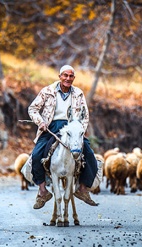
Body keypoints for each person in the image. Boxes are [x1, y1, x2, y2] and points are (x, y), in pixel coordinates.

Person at [28, 65, 99, 209]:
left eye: (71, 76)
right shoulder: (47, 91)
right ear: (60, 76)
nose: (68, 78)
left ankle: (83, 189)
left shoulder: (78, 93)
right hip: (51, 127)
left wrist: (79, 130)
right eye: (65, 75)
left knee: (90, 155)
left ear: (74, 78)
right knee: (36, 155)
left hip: (72, 128)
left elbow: (85, 115)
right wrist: (40, 122)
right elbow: (33, 108)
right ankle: (42, 192)